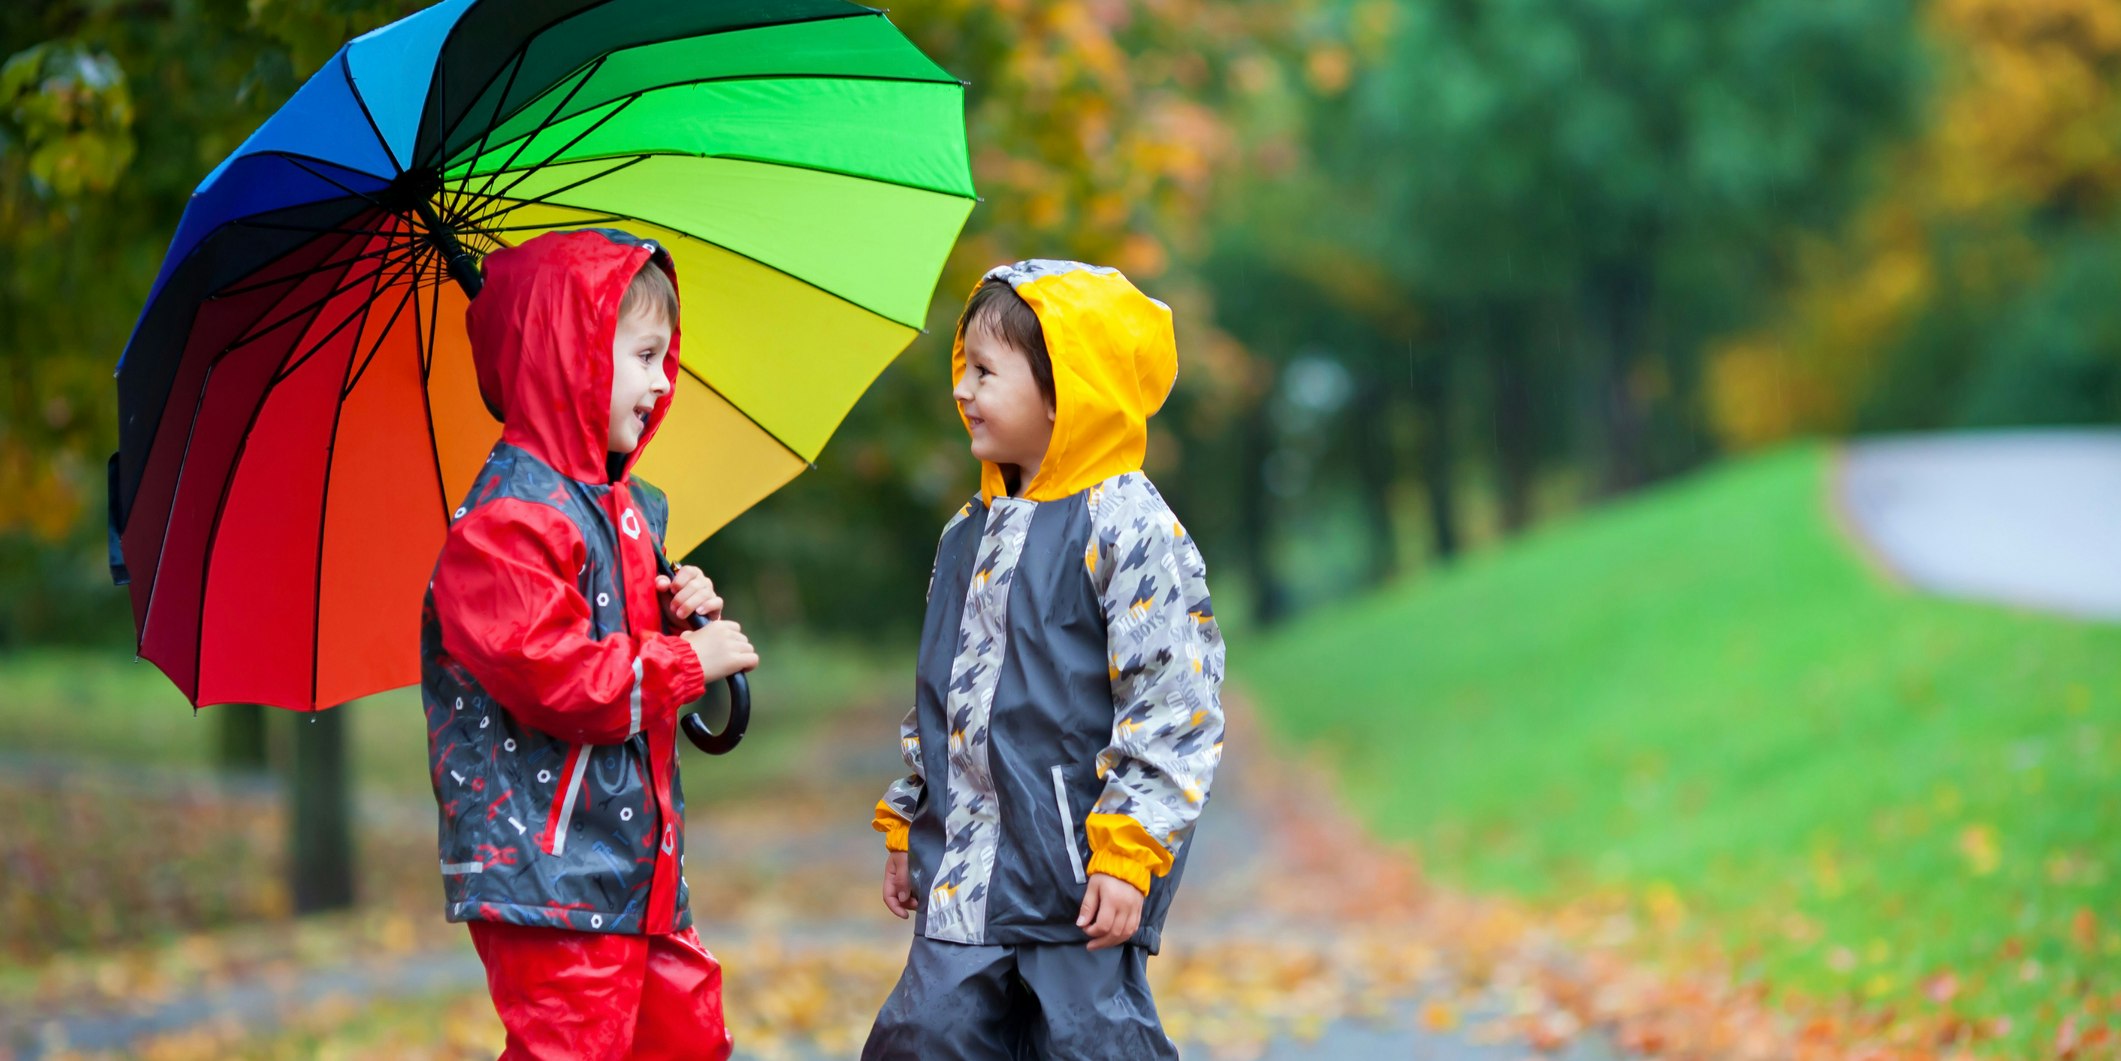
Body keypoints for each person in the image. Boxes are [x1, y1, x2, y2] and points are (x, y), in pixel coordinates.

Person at [864, 259, 1227, 1059]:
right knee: (923, 1037)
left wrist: (1131, 849)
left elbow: (1172, 704)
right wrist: (910, 814)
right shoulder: (965, 535)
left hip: (1077, 880)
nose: (961, 391)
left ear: (1067, 388)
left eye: (985, 372)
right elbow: (942, 694)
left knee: (1089, 1044)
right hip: (965, 874)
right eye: (962, 369)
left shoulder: (1126, 524)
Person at [420, 228, 756, 1060]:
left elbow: (618, 642)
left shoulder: (621, 506)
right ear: (569, 354)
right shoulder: (506, 526)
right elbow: (562, 676)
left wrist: (677, 619)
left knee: (685, 1038)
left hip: (635, 863)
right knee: (573, 1046)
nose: (662, 378)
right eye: (643, 355)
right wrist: (686, 663)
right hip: (550, 873)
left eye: (665, 355)